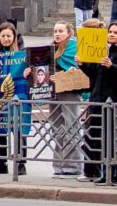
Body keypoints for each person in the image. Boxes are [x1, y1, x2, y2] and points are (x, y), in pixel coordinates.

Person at [77, 20, 117, 185]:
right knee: (102, 139)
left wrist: (112, 66)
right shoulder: (103, 50)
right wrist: (82, 65)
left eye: (115, 33)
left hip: (115, 100)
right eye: (110, 32)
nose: (111, 35)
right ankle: (105, 172)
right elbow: (95, 75)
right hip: (99, 99)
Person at [0, 21, 27, 175]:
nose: (6, 39)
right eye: (3, 36)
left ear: (14, 36)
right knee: (0, 130)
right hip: (0, 97)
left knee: (18, 130)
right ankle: (2, 162)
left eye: (9, 36)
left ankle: (21, 163)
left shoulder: (22, 52)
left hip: (19, 95)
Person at [48, 22, 82, 178]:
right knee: (57, 128)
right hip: (53, 92)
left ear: (68, 33)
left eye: (61, 31)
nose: (57, 34)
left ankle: (73, 166)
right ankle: (59, 164)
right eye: (55, 31)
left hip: (69, 91)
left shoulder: (75, 47)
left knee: (71, 126)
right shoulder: (51, 48)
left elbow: (78, 69)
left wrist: (64, 75)